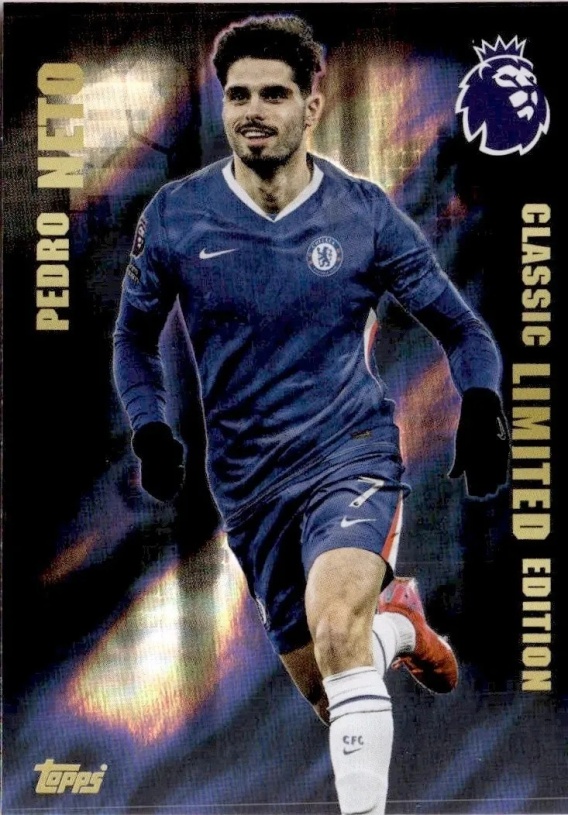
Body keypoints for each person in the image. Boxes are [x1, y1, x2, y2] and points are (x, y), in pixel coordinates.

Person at [113, 15, 509, 815]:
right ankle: (399, 626)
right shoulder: (178, 215)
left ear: (312, 105)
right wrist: (149, 425)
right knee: (335, 687)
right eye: (238, 96)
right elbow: (133, 337)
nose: (254, 111)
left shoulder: (362, 213)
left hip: (348, 455)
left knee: (336, 633)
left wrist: (480, 403)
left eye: (274, 94)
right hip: (247, 487)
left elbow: (461, 327)